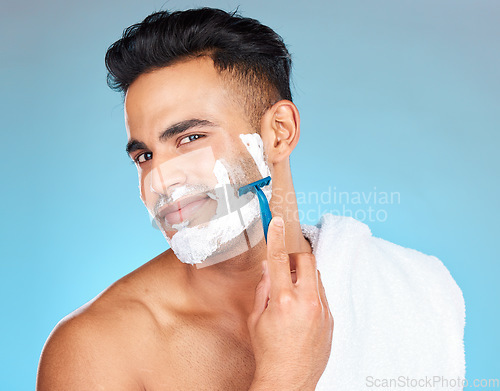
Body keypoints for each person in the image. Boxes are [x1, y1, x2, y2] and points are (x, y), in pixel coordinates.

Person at [36, 8, 465, 391]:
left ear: (279, 132)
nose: (160, 181)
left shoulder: (409, 288)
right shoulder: (96, 349)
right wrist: (286, 376)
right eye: (144, 156)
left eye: (190, 138)